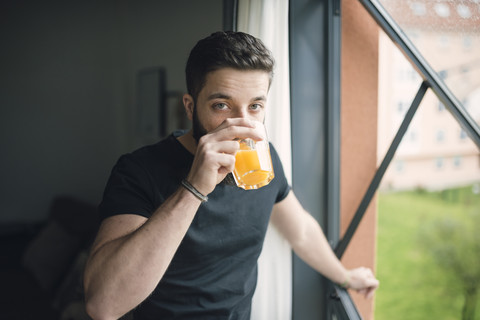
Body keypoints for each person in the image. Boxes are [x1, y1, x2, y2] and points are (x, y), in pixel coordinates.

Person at [83, 31, 379, 320]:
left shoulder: (266, 159)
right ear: (190, 106)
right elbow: (103, 305)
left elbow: (300, 230)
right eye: (221, 106)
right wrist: (193, 188)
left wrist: (345, 277)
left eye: (255, 106)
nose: (242, 124)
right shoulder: (139, 169)